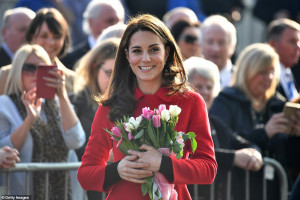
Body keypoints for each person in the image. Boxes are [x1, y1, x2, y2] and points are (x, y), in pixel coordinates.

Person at [77, 14, 217, 200]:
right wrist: (117, 170)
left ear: (166, 52)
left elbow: (208, 169)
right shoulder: (112, 106)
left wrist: (163, 164)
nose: (145, 58)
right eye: (137, 51)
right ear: (127, 55)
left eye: (153, 50)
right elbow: (85, 174)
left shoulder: (190, 102)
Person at [210, 43, 300, 192]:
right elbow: (225, 141)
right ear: (247, 71)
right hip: (236, 188)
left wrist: (296, 135)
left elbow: (289, 157)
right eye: (263, 72)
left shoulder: (278, 103)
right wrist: (264, 132)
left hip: (274, 189)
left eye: (272, 72)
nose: (269, 78)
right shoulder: (225, 101)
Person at [0, 44, 85, 198]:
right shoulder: (4, 104)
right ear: (18, 71)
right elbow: (4, 150)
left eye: (42, 69)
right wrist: (29, 121)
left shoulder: (58, 103)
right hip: (21, 193)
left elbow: (76, 141)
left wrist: (63, 96)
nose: (36, 74)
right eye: (29, 68)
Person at [185, 57, 264, 200]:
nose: (205, 92)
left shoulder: (215, 123)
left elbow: (240, 142)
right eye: (198, 86)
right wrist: (233, 158)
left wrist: (254, 153)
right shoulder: (180, 122)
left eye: (209, 87)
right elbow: (192, 155)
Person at [70, 38, 119, 200]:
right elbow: (72, 145)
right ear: (94, 68)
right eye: (109, 73)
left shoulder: (130, 103)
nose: (115, 80)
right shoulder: (75, 103)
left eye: (120, 73)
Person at [0, 8, 75, 95]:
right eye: (44, 36)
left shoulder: (72, 80)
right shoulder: (7, 75)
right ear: (32, 37)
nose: (50, 43)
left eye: (57, 37)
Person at [61, 0, 125, 69]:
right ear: (91, 22)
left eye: (119, 21)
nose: (116, 26)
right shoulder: (70, 60)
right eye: (110, 21)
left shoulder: (129, 54)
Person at [266, 18, 300, 101]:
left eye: (299, 42)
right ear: (273, 44)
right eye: (292, 42)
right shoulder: (264, 75)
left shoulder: (288, 72)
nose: (298, 47)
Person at [200, 15, 237, 88]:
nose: (215, 49)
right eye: (210, 42)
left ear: (232, 47)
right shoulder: (189, 80)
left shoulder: (241, 81)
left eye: (221, 43)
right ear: (200, 45)